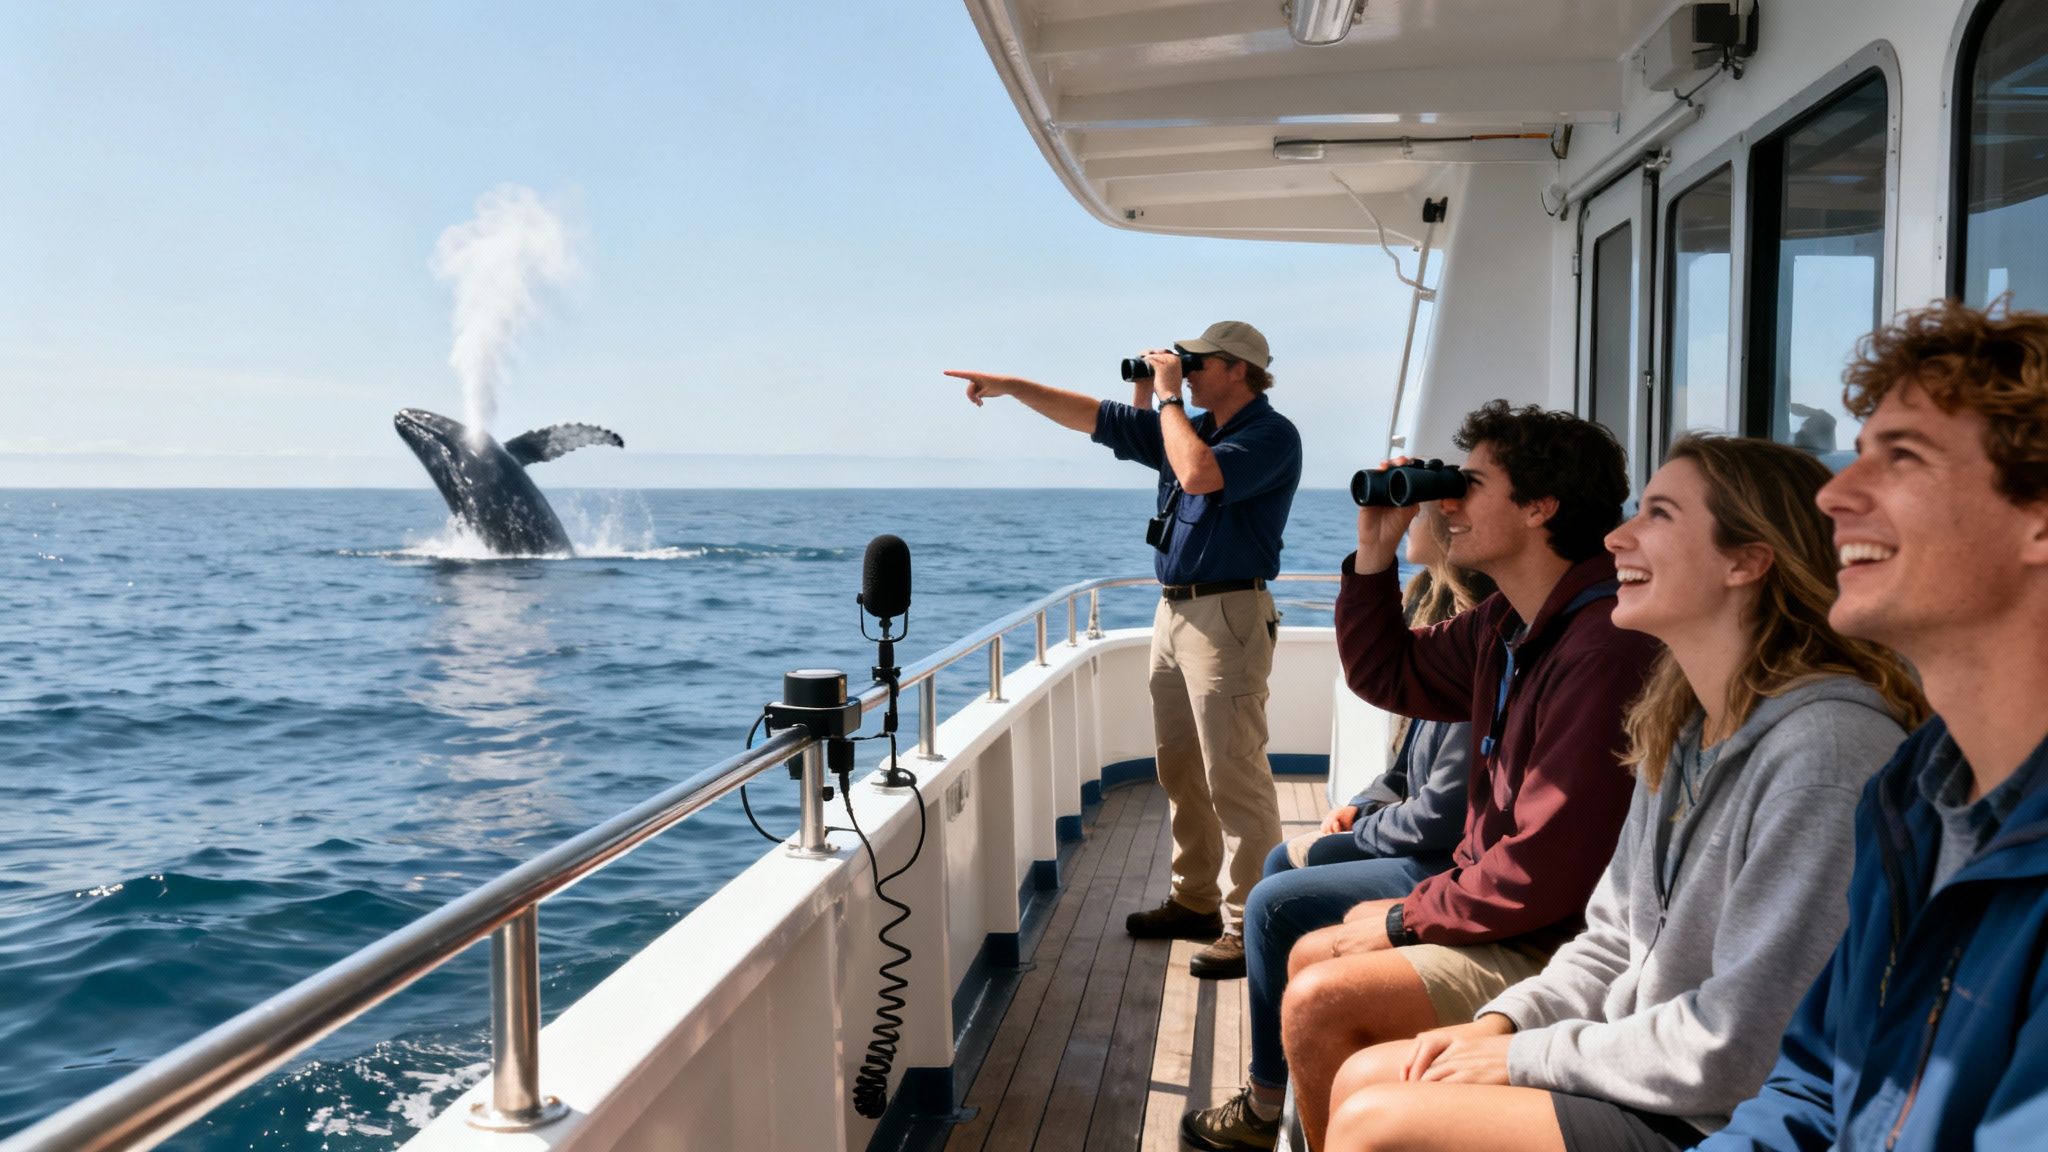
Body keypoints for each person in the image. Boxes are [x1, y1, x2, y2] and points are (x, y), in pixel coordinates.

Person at [1318, 434, 1928, 1152]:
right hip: (1645, 1056)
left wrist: (1529, 1055)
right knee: (1367, 1077)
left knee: (1376, 1120)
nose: (1617, 537)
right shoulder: (1680, 717)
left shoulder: (1825, 753)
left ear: (1747, 561)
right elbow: (1612, 940)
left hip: (1724, 1113)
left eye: (1659, 516)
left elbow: (1739, 1045)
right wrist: (1505, 1023)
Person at [1691, 302, 2048, 1151]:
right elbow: (1817, 1084)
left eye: (1903, 458)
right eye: (1857, 457)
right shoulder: (1913, 796)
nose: (1833, 495)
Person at [1277, 401, 1662, 1150]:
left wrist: (1403, 916)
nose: (1444, 501)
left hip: (1563, 942)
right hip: (1515, 914)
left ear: (1539, 507)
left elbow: (1545, 869)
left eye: (1468, 484)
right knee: (1312, 955)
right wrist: (1374, 555)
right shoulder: (1510, 623)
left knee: (1321, 995)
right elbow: (1388, 673)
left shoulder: (1601, 648)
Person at [944, 322, 1303, 976]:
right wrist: (1011, 386)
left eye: (1198, 363)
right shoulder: (1189, 427)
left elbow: (1196, 476)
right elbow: (1093, 416)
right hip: (1175, 610)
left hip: (1228, 613)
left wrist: (1165, 397)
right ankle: (1194, 901)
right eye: (1183, 364)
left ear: (1238, 368)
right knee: (1180, 768)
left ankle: (1251, 921)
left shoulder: (1269, 434)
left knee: (1235, 775)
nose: (1187, 371)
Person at [1182, 505, 1487, 1151]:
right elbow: (1403, 771)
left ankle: (1267, 1106)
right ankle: (1283, 1073)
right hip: (1428, 843)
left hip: (1445, 860)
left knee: (1273, 895)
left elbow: (1442, 814)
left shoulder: (1476, 659)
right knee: (1280, 870)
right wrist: (1359, 804)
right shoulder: (1451, 649)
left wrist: (1347, 838)